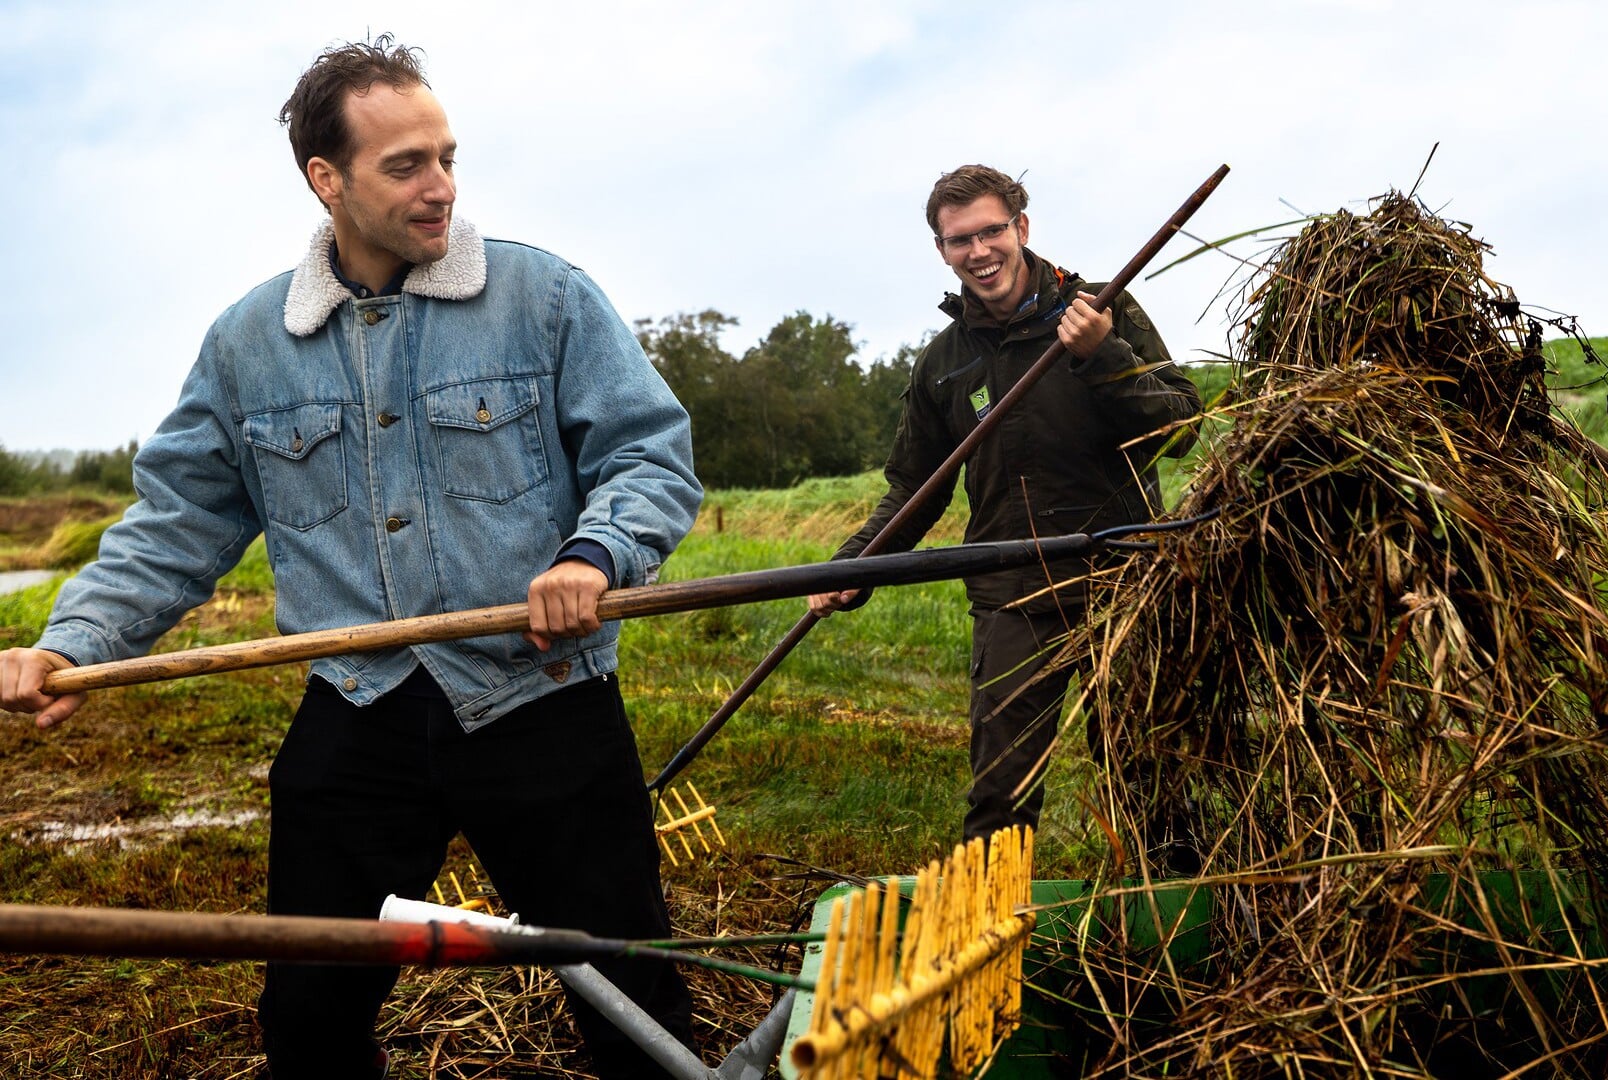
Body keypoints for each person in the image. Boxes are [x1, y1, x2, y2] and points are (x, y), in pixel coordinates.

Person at [0, 38, 701, 1080]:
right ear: (325, 179)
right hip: (358, 707)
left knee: (628, 993)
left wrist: (594, 556)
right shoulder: (248, 344)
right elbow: (175, 521)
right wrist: (73, 640)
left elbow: (648, 454)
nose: (442, 188)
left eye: (448, 157)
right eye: (406, 165)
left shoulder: (543, 298)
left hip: (539, 694)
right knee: (309, 1013)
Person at [808, 165, 1202, 842]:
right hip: (1013, 596)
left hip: (1124, 579)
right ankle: (988, 936)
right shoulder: (943, 362)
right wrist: (854, 566)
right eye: (960, 240)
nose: (979, 251)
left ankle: (1173, 926)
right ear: (942, 250)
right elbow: (915, 489)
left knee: (1152, 777)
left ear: (1021, 227)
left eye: (991, 231)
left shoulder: (1100, 310)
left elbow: (1181, 426)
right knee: (1000, 796)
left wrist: (1100, 355)